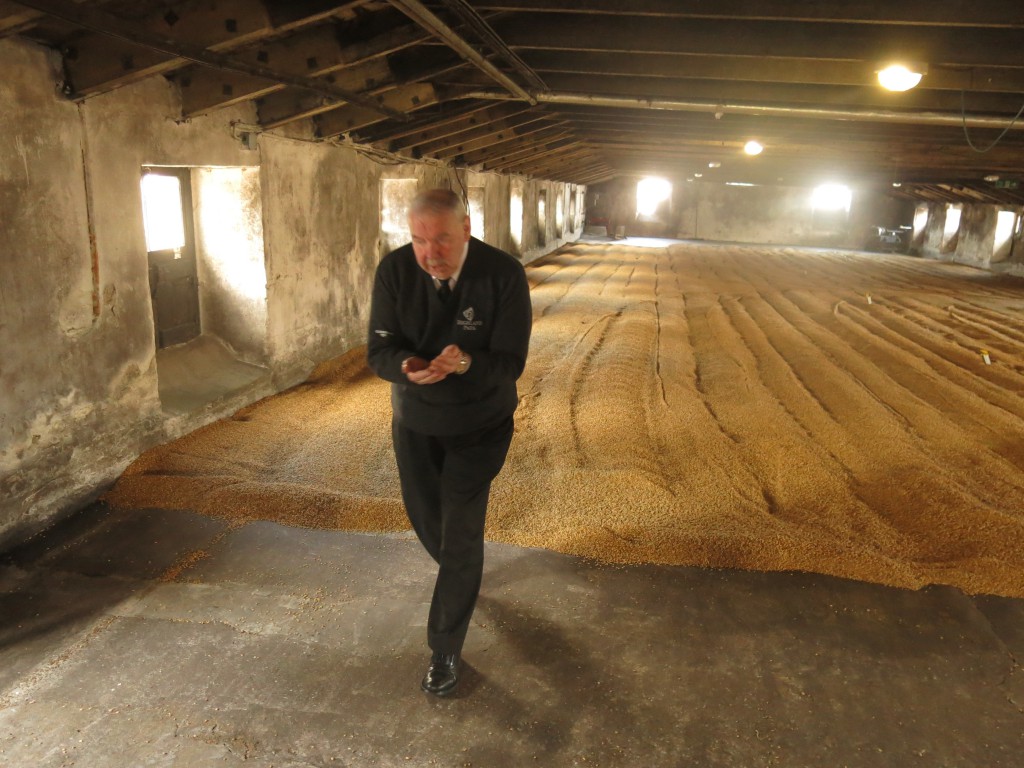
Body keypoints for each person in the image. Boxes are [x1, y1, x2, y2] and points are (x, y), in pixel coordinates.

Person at [367, 188, 532, 696]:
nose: (429, 252)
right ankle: (461, 574)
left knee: (460, 532)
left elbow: (510, 364)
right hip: (415, 421)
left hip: (480, 425)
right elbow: (378, 349)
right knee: (424, 517)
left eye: (440, 239)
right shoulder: (395, 271)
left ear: (466, 227)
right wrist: (407, 366)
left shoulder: (503, 274)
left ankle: (445, 649)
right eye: (418, 239)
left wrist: (464, 363)